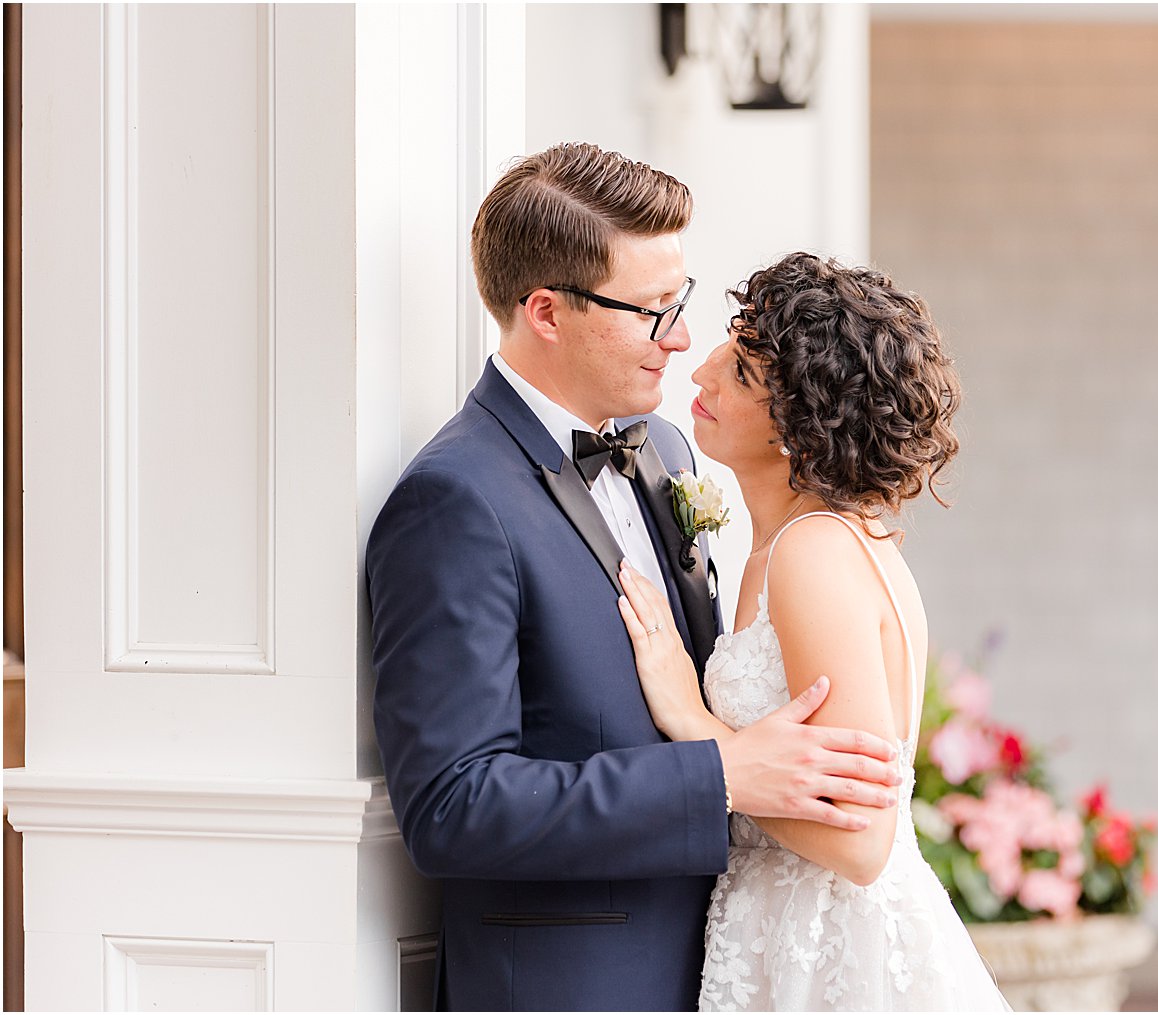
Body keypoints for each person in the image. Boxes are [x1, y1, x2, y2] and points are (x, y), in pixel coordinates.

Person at [366, 145, 905, 1012]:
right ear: (546, 311)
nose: (683, 338)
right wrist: (721, 775)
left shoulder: (666, 452)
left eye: (680, 300)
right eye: (653, 309)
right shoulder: (453, 500)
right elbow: (453, 805)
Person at [617, 252, 1012, 1011]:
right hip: (781, 925)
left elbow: (862, 843)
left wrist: (696, 724)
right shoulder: (806, 543)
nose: (700, 370)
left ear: (801, 424)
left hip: (831, 950)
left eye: (739, 373)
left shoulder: (814, 553)